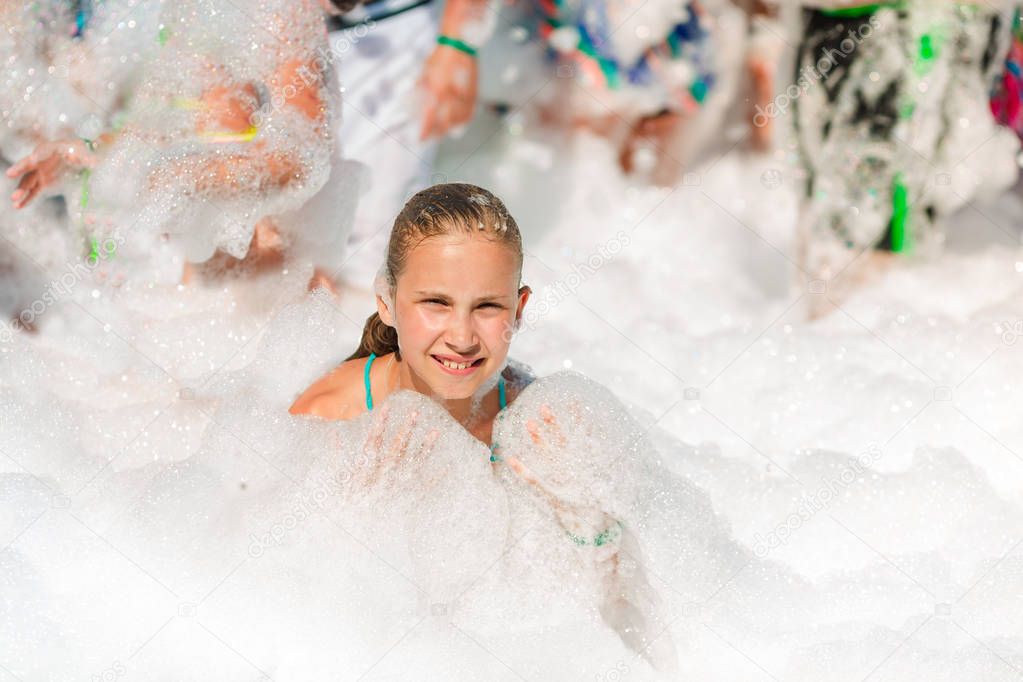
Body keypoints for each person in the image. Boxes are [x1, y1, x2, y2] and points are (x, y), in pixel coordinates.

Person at [290, 182, 682, 670]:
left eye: (487, 307)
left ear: (518, 310)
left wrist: (583, 525)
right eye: (435, 302)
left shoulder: (539, 418)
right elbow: (290, 606)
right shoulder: (329, 419)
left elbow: (632, 610)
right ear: (387, 302)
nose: (461, 337)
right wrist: (352, 515)